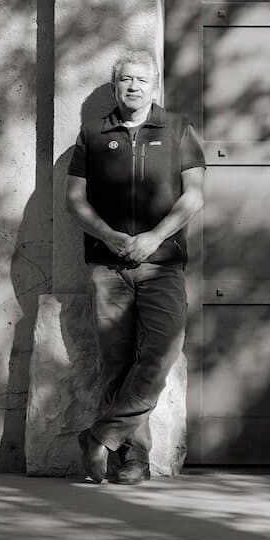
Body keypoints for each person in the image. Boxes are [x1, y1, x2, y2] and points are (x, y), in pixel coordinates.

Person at [66, 49, 205, 485]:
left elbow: (194, 195)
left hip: (162, 263)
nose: (134, 86)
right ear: (115, 85)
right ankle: (132, 459)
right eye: (126, 79)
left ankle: (100, 436)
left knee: (160, 353)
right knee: (116, 363)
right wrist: (110, 236)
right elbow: (74, 199)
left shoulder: (180, 129)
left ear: (155, 84)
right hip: (109, 266)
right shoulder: (92, 133)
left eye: (142, 80)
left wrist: (154, 237)